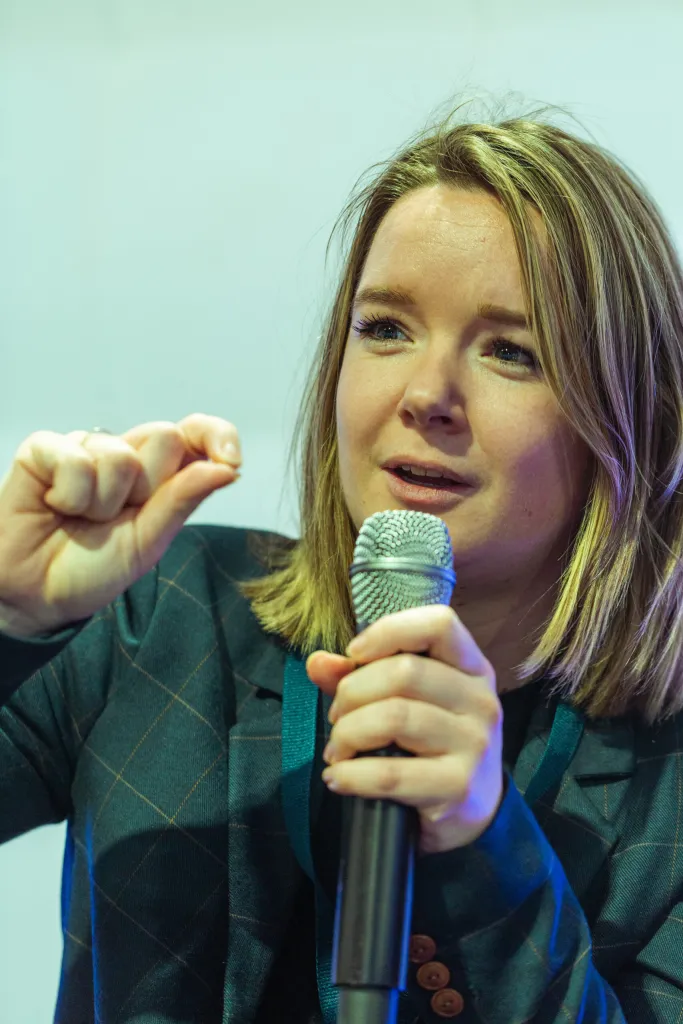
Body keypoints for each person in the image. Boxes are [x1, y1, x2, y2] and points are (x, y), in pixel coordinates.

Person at [0, 98, 682, 1024]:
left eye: (511, 351)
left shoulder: (664, 785)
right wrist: (12, 619)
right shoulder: (162, 617)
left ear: (629, 418)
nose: (426, 394)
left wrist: (486, 848)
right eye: (386, 328)